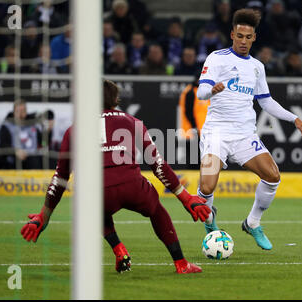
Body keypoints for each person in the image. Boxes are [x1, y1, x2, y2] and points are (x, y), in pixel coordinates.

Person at [21, 80, 211, 274]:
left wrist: (44, 215)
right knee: (157, 211)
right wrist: (186, 198)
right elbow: (157, 164)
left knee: (92, 208)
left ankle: (118, 249)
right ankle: (181, 263)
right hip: (132, 185)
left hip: (98, 190)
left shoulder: (74, 130)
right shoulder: (132, 122)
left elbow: (60, 178)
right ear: (116, 100)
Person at [196, 9, 302, 251]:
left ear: (254, 38)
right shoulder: (216, 58)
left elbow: (266, 101)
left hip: (244, 135)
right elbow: (201, 92)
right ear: (232, 35)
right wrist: (212, 90)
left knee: (272, 176)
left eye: (247, 37)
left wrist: (294, 119)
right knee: (207, 187)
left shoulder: (257, 67)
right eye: (239, 36)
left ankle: (252, 222)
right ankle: (209, 220)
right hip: (216, 132)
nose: (243, 41)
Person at [0, 100, 42, 169]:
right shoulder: (6, 126)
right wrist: (15, 152)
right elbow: (3, 146)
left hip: (33, 159)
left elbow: (44, 143)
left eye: (23, 111)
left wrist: (48, 132)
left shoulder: (34, 125)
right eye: (18, 111)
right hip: (14, 160)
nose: (21, 114)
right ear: (14, 112)